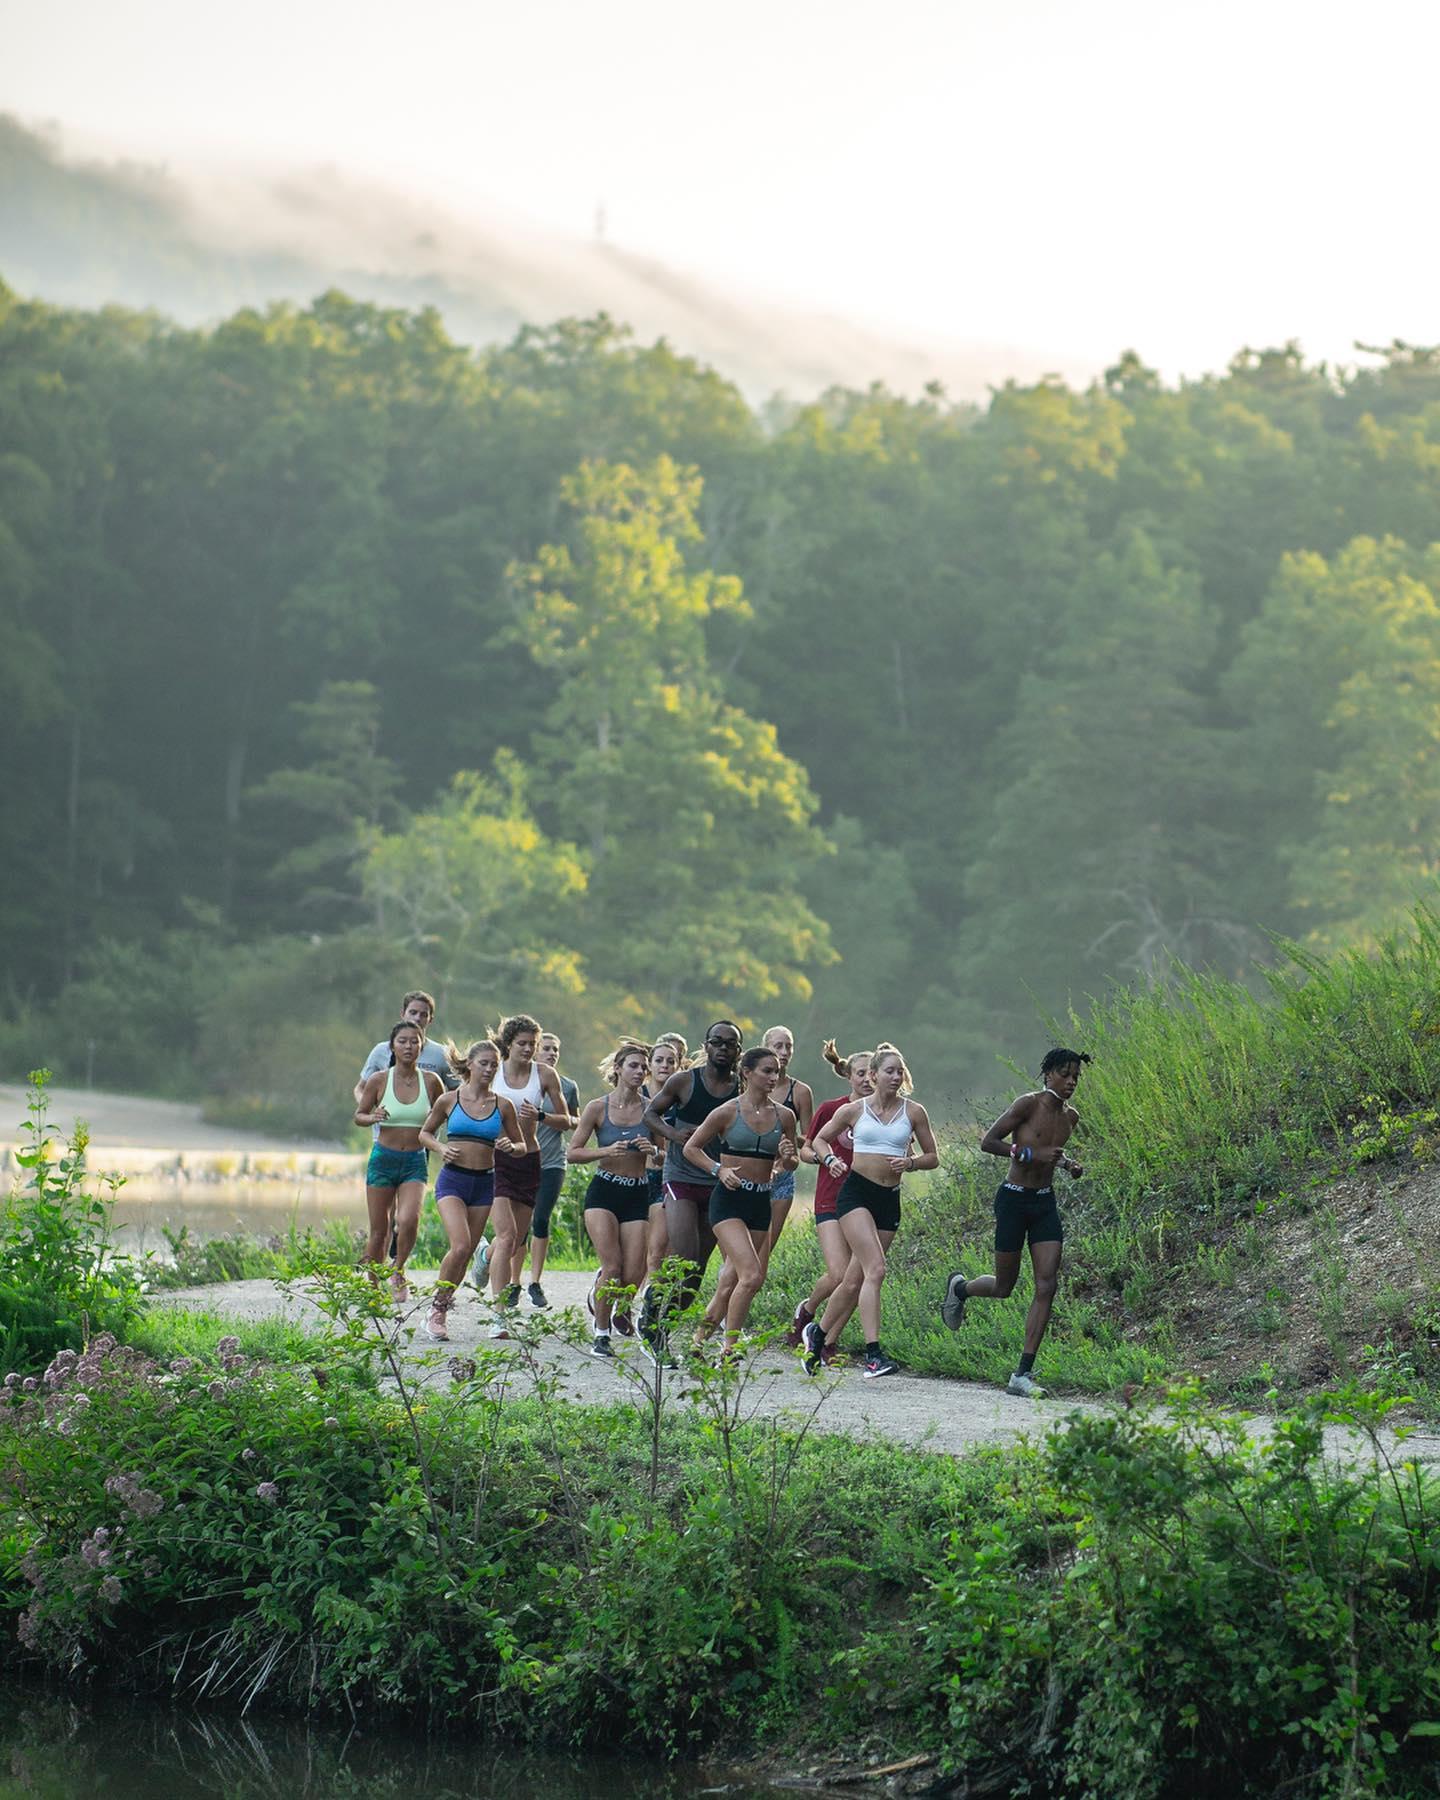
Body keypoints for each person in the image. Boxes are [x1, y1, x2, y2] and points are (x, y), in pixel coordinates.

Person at [940, 1048, 1089, 1398]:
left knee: (1047, 1284)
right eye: (1065, 1074)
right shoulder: (1028, 1104)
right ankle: (960, 1289)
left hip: (1044, 1203)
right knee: (1004, 1286)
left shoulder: (1071, 1118)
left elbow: (1053, 1149)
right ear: (1048, 1074)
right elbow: (988, 1142)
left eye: (1076, 1078)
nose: (1070, 1082)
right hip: (1013, 1198)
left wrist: (1067, 1165)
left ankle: (1022, 1373)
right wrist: (1028, 1154)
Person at [804, 1042, 938, 1379]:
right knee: (875, 1270)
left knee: (853, 1280)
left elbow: (933, 1156)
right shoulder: (854, 1111)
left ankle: (816, 1335)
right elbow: (818, 1140)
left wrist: (911, 1162)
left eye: (899, 1071)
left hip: (888, 1198)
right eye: (888, 1071)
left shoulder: (914, 1112)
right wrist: (831, 1159)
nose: (895, 1077)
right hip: (855, 1195)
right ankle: (873, 1356)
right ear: (874, 1075)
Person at [682, 1045, 798, 1355]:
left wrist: (786, 1160)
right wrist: (718, 1170)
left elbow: (790, 1163)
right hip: (729, 1201)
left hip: (761, 1203)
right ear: (747, 1073)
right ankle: (729, 1350)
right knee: (752, 1275)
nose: (774, 1077)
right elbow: (691, 1149)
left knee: (729, 1282)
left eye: (776, 1072)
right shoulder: (727, 1112)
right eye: (767, 1071)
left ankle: (696, 1345)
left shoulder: (785, 1115)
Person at [641, 1022, 742, 1353]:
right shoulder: (684, 1081)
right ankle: (656, 1327)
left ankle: (658, 1316)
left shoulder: (741, 1089)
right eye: (717, 1042)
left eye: (731, 1044)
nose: (724, 1048)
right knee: (683, 1257)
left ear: (738, 1051)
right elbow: (651, 1113)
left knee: (695, 1275)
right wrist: (672, 1135)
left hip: (718, 1183)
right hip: (681, 1177)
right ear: (706, 1045)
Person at [417, 1040, 522, 1341]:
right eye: (484, 1063)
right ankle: (436, 1309)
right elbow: (425, 1133)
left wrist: (509, 1146)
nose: (489, 1069)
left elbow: (522, 1145)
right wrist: (440, 1147)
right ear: (470, 1064)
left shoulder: (503, 1105)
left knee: (464, 1256)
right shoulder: (449, 1100)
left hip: (484, 1183)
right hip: (452, 1180)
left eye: (494, 1065)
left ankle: (442, 1309)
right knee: (461, 1246)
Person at [568, 1042, 660, 1358]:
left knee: (634, 1272)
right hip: (604, 1191)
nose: (639, 1072)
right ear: (618, 1068)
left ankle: (613, 1302)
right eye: (633, 1065)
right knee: (613, 1265)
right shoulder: (597, 1108)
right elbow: (573, 1152)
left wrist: (653, 1152)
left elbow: (662, 1157)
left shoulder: (651, 1109)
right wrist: (605, 1151)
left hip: (636, 1192)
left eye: (643, 1067)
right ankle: (601, 1333)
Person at [481, 1013, 569, 1338]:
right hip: (496, 1160)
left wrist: (542, 1115)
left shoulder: (545, 1075)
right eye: (523, 1043)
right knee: (506, 1237)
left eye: (533, 1043)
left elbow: (568, 1120)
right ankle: (499, 1315)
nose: (529, 1049)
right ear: (508, 1043)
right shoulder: (493, 1073)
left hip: (530, 1160)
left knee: (517, 1239)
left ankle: (483, 1256)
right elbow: (473, 1105)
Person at [785, 1042, 874, 1360]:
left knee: (857, 1276)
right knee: (838, 1273)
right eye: (860, 1073)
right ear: (848, 1076)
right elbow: (807, 1148)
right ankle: (806, 1312)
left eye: (871, 1074)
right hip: (832, 1199)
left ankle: (827, 1342)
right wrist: (826, 1159)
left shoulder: (886, 1114)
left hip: (869, 1203)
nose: (866, 1079)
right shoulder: (831, 1109)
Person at [352, 1021, 445, 1302]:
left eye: (414, 1041)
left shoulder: (431, 1081)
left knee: (408, 1219)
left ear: (421, 1045)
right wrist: (374, 1117)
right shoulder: (379, 1080)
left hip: (415, 1160)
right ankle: (373, 1287)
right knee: (379, 1229)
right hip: (383, 1159)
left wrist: (438, 1140)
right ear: (392, 1046)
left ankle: (399, 1268)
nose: (408, 1046)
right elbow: (359, 1115)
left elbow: (444, 1112)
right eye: (402, 1041)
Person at [525, 1031, 581, 1309]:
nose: (551, 1053)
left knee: (541, 1219)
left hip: (552, 1162)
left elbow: (576, 1122)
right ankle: (512, 1282)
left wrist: (546, 1117)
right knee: (517, 1226)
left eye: (555, 1049)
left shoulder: (567, 1086)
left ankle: (534, 1282)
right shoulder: (521, 1082)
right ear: (535, 1051)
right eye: (546, 1048)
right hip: (520, 1160)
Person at [353, 990, 455, 1104]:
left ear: (430, 1019)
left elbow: (457, 1091)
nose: (417, 1018)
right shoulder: (381, 1050)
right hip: (385, 1121)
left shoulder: (442, 1053)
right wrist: (368, 1108)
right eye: (413, 1012)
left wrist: (441, 1113)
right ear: (402, 1014)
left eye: (423, 1014)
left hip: (425, 1121)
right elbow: (360, 1088)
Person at [761, 1025, 814, 1244]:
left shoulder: (800, 1092)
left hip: (782, 1174)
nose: (783, 1052)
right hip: (747, 1172)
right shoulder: (745, 1085)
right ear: (765, 1048)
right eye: (778, 1046)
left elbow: (809, 1140)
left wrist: (788, 1138)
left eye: (788, 1047)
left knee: (765, 1248)